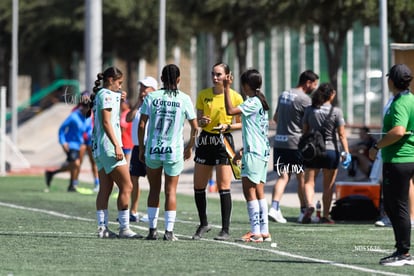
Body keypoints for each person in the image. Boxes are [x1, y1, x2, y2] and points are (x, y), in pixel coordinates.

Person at [138, 64, 198, 241]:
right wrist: (190, 147)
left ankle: (152, 230)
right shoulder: (184, 99)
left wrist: (141, 147)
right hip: (173, 151)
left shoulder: (152, 97)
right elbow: (195, 127)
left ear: (161, 79)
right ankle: (169, 232)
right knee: (170, 191)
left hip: (153, 149)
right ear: (179, 80)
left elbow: (142, 124)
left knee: (154, 190)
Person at [368, 64, 414, 266]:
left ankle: (403, 252)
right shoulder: (408, 99)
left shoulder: (401, 103)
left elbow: (398, 130)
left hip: (398, 160)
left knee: (397, 206)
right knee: (396, 206)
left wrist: (376, 146)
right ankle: (402, 250)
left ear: (392, 81)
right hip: (404, 159)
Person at [192, 62, 243, 241]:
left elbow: (241, 122)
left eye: (219, 74)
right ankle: (203, 223)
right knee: (199, 185)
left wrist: (228, 126)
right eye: (213, 74)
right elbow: (198, 120)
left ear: (228, 76)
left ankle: (225, 229)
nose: (215, 77)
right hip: (206, 140)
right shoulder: (203, 94)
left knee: (223, 186)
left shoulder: (235, 97)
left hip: (224, 142)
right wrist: (202, 121)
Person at [91, 66, 141, 239]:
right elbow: (106, 122)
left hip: (99, 147)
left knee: (105, 188)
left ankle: (102, 228)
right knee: (127, 186)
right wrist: (117, 146)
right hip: (109, 147)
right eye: (119, 83)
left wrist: (118, 98)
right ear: (110, 80)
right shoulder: (106, 95)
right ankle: (124, 228)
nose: (120, 86)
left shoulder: (104, 94)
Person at [223, 69, 271, 242]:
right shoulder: (261, 102)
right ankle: (263, 230)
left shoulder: (252, 102)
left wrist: (226, 88)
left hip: (255, 153)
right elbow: (252, 128)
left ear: (245, 86)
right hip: (261, 151)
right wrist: (241, 150)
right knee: (259, 192)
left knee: (249, 192)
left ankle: (255, 231)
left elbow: (230, 110)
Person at [269, 70, 319, 223]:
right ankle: (303, 212)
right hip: (295, 143)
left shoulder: (284, 94)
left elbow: (276, 118)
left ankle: (274, 208)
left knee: (283, 176)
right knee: (301, 177)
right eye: (314, 84)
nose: (315, 88)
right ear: (308, 83)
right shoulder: (305, 99)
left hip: (279, 142)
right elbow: (310, 123)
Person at [301, 83, 351, 224]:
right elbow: (341, 135)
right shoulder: (336, 111)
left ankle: (310, 206)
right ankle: (326, 215)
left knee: (309, 182)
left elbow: (305, 131)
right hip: (331, 151)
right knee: (328, 186)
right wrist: (346, 152)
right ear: (331, 95)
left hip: (313, 151)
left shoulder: (310, 110)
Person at [125, 76, 158, 223]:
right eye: (141, 87)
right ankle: (133, 210)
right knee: (133, 180)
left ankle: (151, 212)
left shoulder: (156, 104)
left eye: (145, 87)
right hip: (137, 147)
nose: (142, 90)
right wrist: (138, 102)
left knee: (153, 181)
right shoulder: (139, 105)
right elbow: (128, 119)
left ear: (153, 89)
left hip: (149, 147)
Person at [44, 100, 92, 192]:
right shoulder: (73, 116)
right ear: (82, 107)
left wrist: (91, 134)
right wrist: (63, 142)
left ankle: (53, 174)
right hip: (71, 144)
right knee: (76, 164)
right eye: (87, 107)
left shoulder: (88, 118)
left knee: (74, 165)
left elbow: (88, 129)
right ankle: (72, 184)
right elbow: (62, 129)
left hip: (80, 144)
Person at [120, 100, 133, 165]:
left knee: (124, 163)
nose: (121, 104)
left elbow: (123, 128)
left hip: (124, 141)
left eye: (123, 103)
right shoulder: (129, 113)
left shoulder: (125, 114)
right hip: (129, 141)